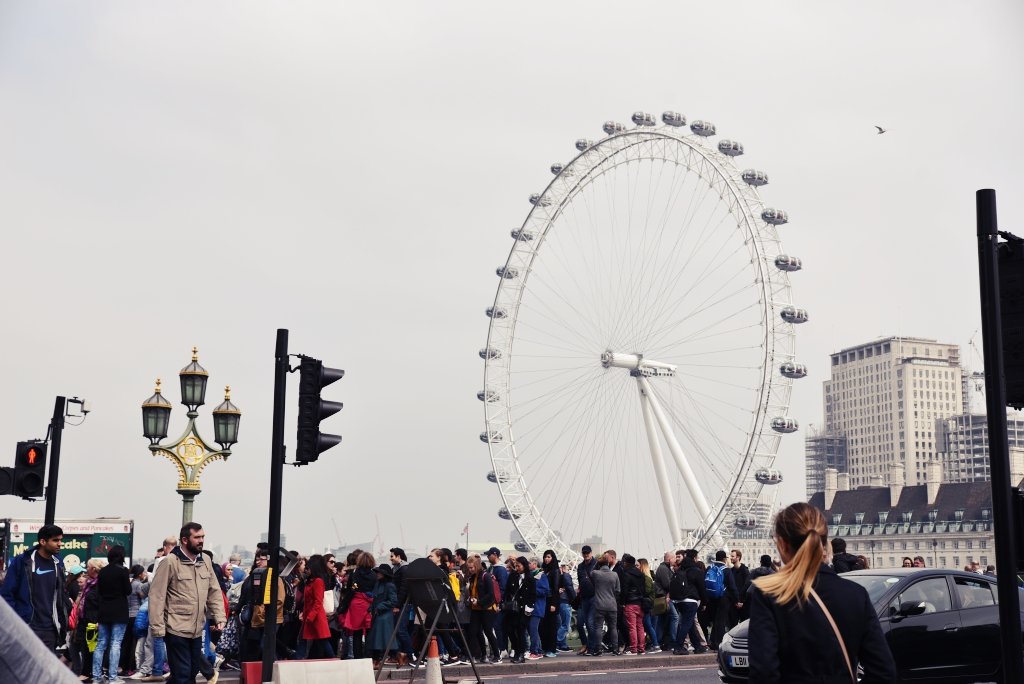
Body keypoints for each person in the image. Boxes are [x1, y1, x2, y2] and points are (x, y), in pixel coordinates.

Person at [749, 502, 897, 684]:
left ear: (782, 544)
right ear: (825, 542)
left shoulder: (769, 594)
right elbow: (884, 672)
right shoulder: (856, 595)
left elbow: (764, 673)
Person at [147, 522, 226, 684]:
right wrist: (158, 628)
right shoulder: (170, 561)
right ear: (184, 540)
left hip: (197, 629)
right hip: (175, 628)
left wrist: (219, 616)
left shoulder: (205, 560)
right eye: (196, 537)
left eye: (202, 536)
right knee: (183, 674)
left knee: (190, 673)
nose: (201, 540)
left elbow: (214, 590)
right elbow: (157, 596)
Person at [0, 523, 70, 654]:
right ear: (42, 541)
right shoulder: (22, 561)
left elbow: (60, 594)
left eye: (61, 540)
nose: (60, 544)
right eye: (55, 540)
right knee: (24, 670)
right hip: (27, 627)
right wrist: (16, 622)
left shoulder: (58, 563)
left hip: (51, 629)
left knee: (46, 671)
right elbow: (7, 594)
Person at [93, 545, 132, 683]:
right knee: (115, 644)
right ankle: (112, 677)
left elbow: (100, 592)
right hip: (119, 611)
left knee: (101, 644)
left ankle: (97, 677)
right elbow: (128, 591)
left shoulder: (102, 571)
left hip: (104, 611)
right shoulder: (123, 571)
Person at [301, 555, 334, 659]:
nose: (306, 570)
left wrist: (310, 616)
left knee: (322, 641)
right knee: (319, 641)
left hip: (316, 617)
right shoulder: (309, 581)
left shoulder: (318, 581)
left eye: (308, 568)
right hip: (310, 616)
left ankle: (333, 659)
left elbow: (318, 601)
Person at [587, 556, 619, 657]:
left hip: (600, 605)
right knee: (613, 627)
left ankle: (598, 649)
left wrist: (597, 563)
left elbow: (590, 572)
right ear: (608, 564)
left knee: (598, 627)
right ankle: (615, 649)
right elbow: (618, 590)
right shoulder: (614, 574)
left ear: (599, 564)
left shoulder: (596, 574)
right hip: (612, 605)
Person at [366, 564, 397, 666]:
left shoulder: (390, 585)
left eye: (380, 572)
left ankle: (377, 660)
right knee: (380, 639)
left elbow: (393, 601)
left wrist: (380, 606)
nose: (377, 574)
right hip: (378, 614)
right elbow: (375, 598)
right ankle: (395, 655)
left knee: (380, 639)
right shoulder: (377, 584)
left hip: (385, 616)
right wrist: (371, 608)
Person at [575, 545, 597, 655]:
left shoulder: (596, 564)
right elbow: (580, 581)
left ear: (591, 553)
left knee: (590, 623)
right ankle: (586, 644)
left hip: (594, 597)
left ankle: (592, 648)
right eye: (584, 553)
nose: (586, 554)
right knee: (579, 623)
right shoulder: (580, 566)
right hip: (583, 598)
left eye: (588, 552)